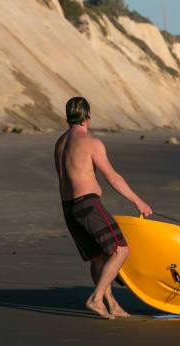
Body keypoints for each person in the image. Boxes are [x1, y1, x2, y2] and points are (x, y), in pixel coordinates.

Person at [54, 96, 152, 319]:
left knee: (98, 258)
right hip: (87, 205)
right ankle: (96, 299)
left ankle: (112, 304)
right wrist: (138, 201)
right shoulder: (91, 143)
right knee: (120, 251)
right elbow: (113, 178)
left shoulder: (60, 144)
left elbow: (64, 178)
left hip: (69, 208)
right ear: (88, 116)